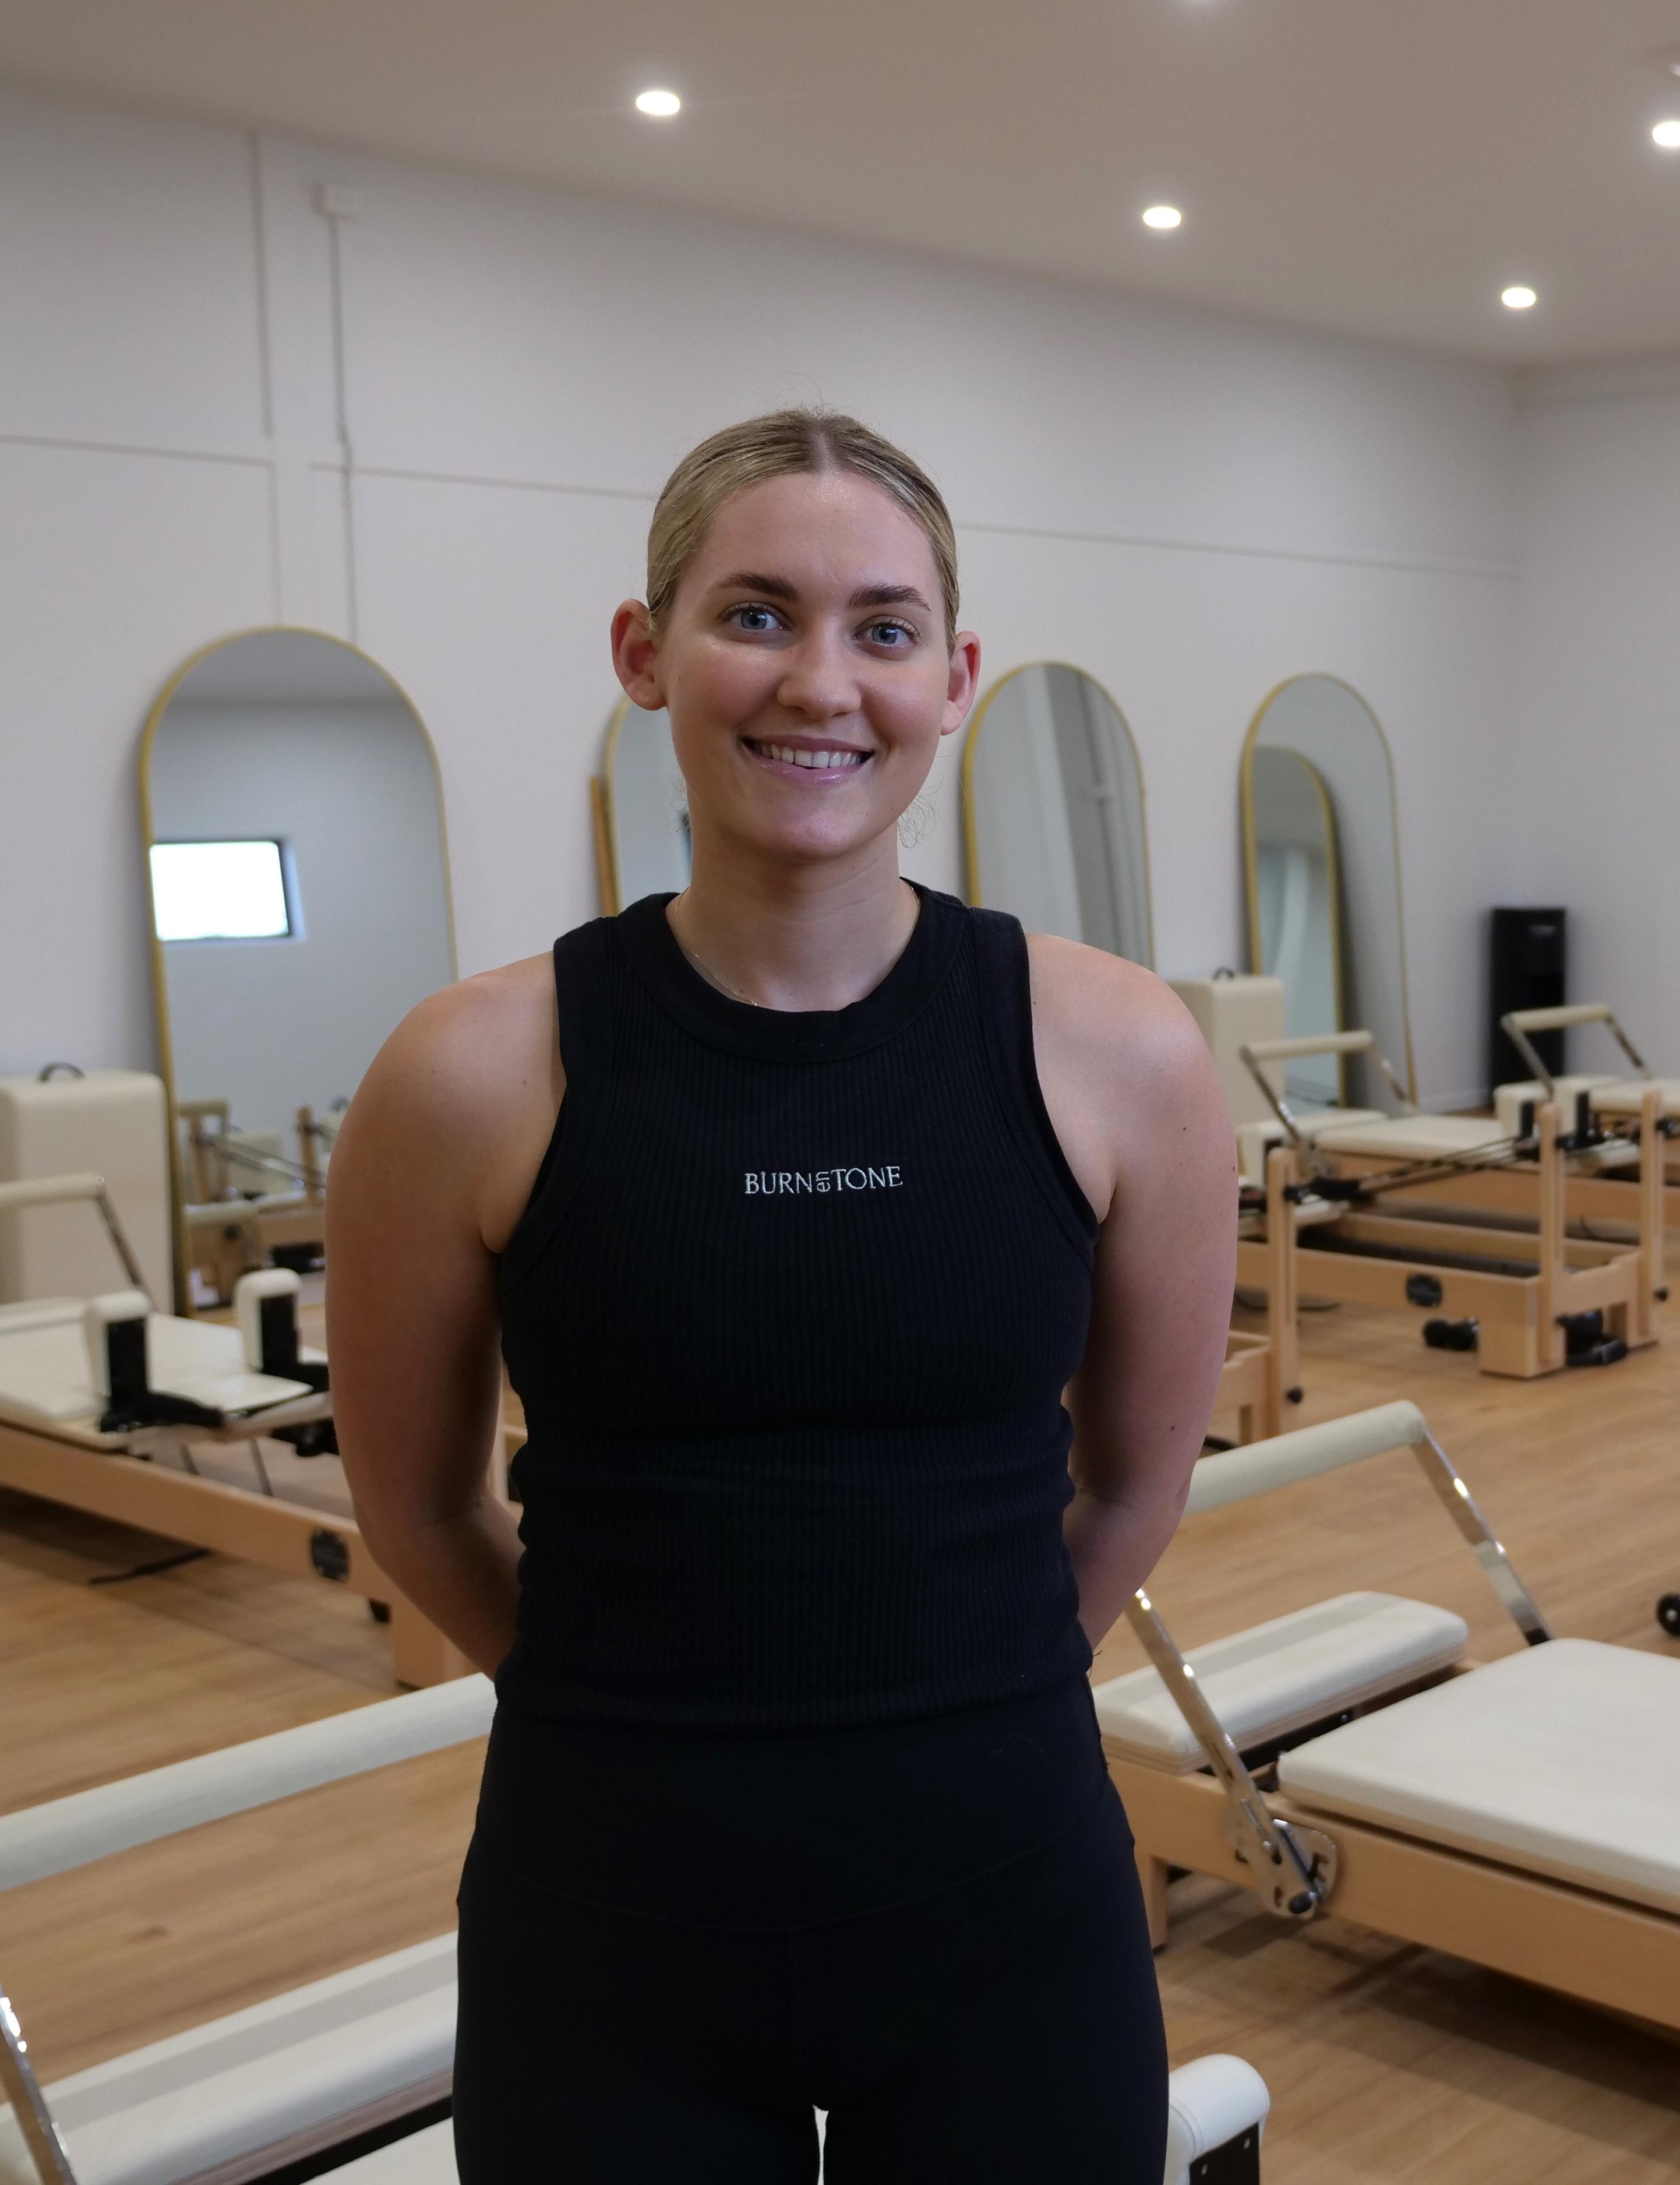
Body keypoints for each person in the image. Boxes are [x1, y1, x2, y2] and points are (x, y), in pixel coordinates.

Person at [326, 408, 1236, 2181]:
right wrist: (629, 1700)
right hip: (611, 1928)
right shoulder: (471, 1074)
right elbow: (414, 1506)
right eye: (757, 615)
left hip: (1008, 1908)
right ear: (644, 651)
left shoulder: (1117, 1050)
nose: (822, 681)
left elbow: (1134, 1481)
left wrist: (963, 1689)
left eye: (883, 630)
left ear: (955, 675)